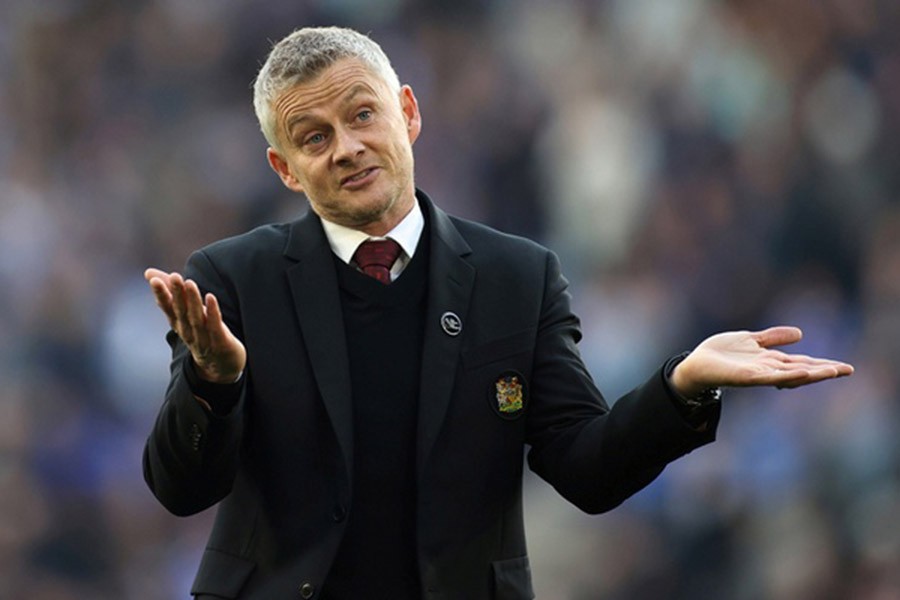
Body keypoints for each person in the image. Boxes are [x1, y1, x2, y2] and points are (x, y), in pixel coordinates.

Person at [142, 26, 853, 600]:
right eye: (314, 136)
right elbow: (182, 490)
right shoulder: (229, 281)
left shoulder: (519, 277)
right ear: (285, 169)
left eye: (363, 114)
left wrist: (683, 387)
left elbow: (586, 469)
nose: (348, 147)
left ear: (409, 114)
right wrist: (213, 384)